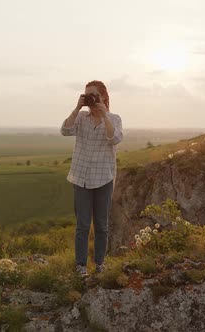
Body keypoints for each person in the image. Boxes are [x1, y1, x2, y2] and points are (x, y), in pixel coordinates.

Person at [60, 80, 123, 277]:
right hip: (81, 177)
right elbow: (65, 130)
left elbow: (115, 138)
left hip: (103, 177)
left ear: (104, 97)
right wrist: (77, 107)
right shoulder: (80, 117)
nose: (90, 98)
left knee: (102, 226)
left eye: (94, 95)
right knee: (82, 226)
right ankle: (81, 266)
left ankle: (100, 264)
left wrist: (104, 115)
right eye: (87, 95)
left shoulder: (114, 118)